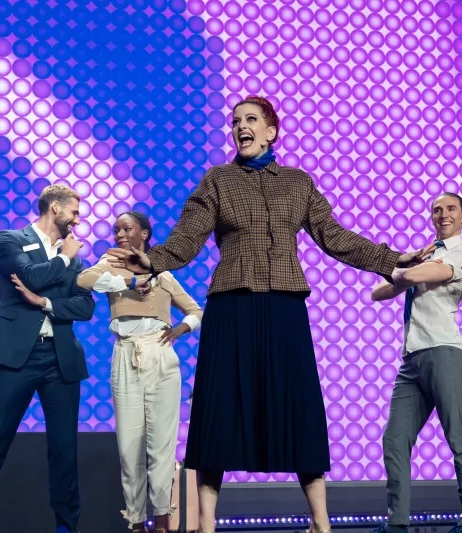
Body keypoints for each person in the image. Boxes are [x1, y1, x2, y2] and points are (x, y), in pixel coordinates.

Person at [108, 95, 425, 533]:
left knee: (299, 408)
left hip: (283, 306)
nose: (242, 126)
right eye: (236, 121)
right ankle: (207, 525)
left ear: (271, 131)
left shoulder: (297, 183)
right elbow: (187, 237)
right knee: (219, 410)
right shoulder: (217, 180)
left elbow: (334, 236)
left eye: (251, 120)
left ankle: (321, 523)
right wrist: (153, 261)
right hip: (231, 307)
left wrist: (391, 260)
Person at [0, 185, 95, 533]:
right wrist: (62, 261)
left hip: (59, 358)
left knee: (64, 453)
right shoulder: (9, 240)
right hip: (18, 357)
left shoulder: (77, 257)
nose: (78, 218)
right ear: (54, 208)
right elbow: (28, 277)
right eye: (73, 211)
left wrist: (44, 302)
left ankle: (66, 528)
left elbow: (85, 307)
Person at [76, 212, 203, 533]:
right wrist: (128, 281)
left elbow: (195, 310)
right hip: (126, 351)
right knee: (130, 444)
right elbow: (82, 280)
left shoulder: (162, 272)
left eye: (127, 228)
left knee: (161, 443)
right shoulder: (109, 263)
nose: (119, 234)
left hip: (161, 354)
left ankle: (162, 518)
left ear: (144, 234)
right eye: (117, 229)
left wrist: (180, 330)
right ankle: (135, 520)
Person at [370, 192, 462, 533]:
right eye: (437, 210)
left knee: (457, 435)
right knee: (394, 439)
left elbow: (411, 279)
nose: (443, 214)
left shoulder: (461, 254)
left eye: (450, 209)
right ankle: (398, 523)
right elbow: (378, 293)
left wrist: (401, 268)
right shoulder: (427, 255)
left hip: (443, 352)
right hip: (412, 358)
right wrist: (404, 269)